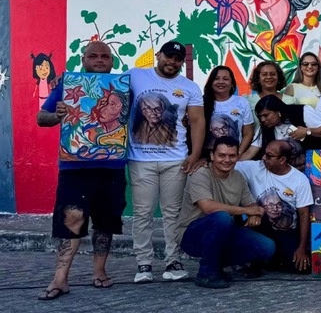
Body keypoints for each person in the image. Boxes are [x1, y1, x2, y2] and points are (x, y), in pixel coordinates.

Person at [36, 41, 127, 299]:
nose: (99, 60)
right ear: (83, 60)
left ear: (112, 61)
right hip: (74, 167)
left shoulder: (123, 89)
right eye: (93, 56)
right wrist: (58, 115)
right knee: (71, 220)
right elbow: (41, 118)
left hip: (112, 167)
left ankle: (99, 271)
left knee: (106, 221)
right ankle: (60, 278)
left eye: (105, 56)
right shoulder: (68, 85)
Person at [128, 40, 204, 284]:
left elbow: (197, 122)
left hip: (176, 160)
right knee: (143, 213)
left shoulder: (190, 87)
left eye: (177, 59)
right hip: (140, 160)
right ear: (158, 55)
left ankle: (173, 260)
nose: (172, 62)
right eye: (168, 56)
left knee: (173, 213)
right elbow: (109, 95)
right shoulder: (135, 76)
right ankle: (144, 264)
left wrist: (195, 154)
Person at [180, 137, 273, 289]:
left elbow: (250, 203)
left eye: (232, 156)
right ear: (212, 156)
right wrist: (246, 211)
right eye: (221, 155)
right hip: (192, 235)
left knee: (267, 247)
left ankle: (214, 265)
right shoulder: (200, 174)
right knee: (221, 217)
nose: (227, 160)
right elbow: (208, 208)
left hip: (223, 232)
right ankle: (207, 274)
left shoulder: (238, 177)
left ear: (238, 156)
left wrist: (255, 213)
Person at [236, 139, 314, 272]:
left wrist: (301, 248)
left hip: (287, 231)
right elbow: (229, 165)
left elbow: (304, 214)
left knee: (300, 268)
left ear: (282, 159)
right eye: (265, 153)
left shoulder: (300, 180)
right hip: (261, 226)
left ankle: (273, 260)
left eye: (269, 156)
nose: (264, 158)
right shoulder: (255, 167)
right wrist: (203, 161)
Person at [202, 65, 254, 156]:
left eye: (225, 79)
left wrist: (238, 153)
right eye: (216, 78)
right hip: (206, 157)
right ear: (211, 82)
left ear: (232, 83)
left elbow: (248, 133)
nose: (221, 82)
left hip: (233, 157)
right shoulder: (201, 103)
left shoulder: (242, 102)